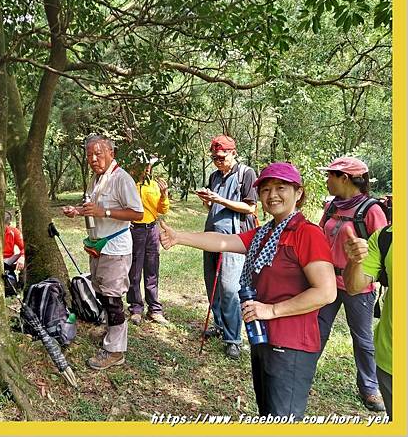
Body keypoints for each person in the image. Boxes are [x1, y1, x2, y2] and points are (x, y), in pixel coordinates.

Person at [160, 162, 336, 418]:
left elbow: (326, 292)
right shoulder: (267, 232)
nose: (272, 195)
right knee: (268, 413)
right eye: (265, 190)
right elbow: (224, 241)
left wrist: (271, 309)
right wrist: (179, 237)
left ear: (298, 193)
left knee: (282, 417)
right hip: (262, 337)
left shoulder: (307, 234)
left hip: (291, 345)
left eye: (280, 187)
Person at [62, 135, 143, 370]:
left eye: (98, 153)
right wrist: (77, 211)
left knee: (112, 297)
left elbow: (137, 214)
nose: (93, 159)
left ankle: (115, 351)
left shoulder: (121, 179)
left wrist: (104, 212)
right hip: (98, 246)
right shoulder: (96, 180)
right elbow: (92, 208)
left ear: (111, 153)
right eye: (89, 155)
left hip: (116, 248)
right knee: (100, 293)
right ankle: (111, 334)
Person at [317, 157, 388, 412]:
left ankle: (370, 387)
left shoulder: (371, 210)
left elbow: (382, 251)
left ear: (344, 178)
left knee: (363, 339)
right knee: (318, 329)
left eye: (330, 176)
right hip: (327, 281)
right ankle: (303, 370)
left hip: (358, 288)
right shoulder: (331, 206)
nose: (327, 181)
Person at [196, 135, 258, 360]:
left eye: (221, 157)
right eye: (214, 157)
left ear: (233, 153)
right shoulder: (214, 176)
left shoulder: (246, 174)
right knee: (212, 283)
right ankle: (219, 324)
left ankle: (233, 339)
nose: (218, 161)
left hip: (234, 238)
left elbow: (250, 208)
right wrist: (208, 199)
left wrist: (220, 200)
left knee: (229, 287)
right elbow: (212, 206)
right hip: (211, 234)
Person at [343, 225, 393, 419]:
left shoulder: (371, 210)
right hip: (390, 360)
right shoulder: (386, 236)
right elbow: (353, 286)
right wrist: (356, 260)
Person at [126, 154, 170, 325]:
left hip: (152, 229)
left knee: (152, 269)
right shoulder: (130, 185)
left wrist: (164, 193)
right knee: (134, 271)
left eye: (148, 165)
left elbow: (163, 209)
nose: (145, 169)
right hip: (135, 230)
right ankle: (136, 308)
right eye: (142, 165)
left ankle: (155, 309)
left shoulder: (154, 185)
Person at [3, 211, 25, 296]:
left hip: (9, 259)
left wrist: (22, 257)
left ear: (8, 224)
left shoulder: (14, 232)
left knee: (26, 259)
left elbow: (24, 247)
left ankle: (21, 284)